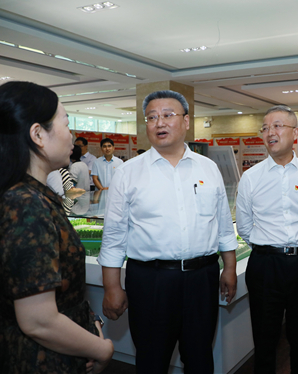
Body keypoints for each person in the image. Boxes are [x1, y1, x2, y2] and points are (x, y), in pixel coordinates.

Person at [0, 81, 114, 373]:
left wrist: (90, 321)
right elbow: (39, 321)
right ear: (38, 134)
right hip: (40, 361)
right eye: (66, 124)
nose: (72, 136)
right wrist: (103, 349)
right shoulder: (24, 204)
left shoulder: (32, 195)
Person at [99, 90, 238, 373]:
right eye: (151, 117)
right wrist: (112, 287)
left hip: (202, 278)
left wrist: (230, 268)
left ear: (186, 122)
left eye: (167, 115)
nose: (159, 122)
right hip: (150, 282)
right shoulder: (128, 172)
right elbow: (113, 235)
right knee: (151, 360)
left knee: (200, 358)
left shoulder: (208, 168)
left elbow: (223, 224)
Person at [236, 105, 298, 373]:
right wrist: (269, 248)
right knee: (265, 339)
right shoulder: (251, 177)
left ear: (295, 133)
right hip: (265, 265)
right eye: (265, 128)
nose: (270, 133)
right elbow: (244, 226)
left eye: (277, 126)